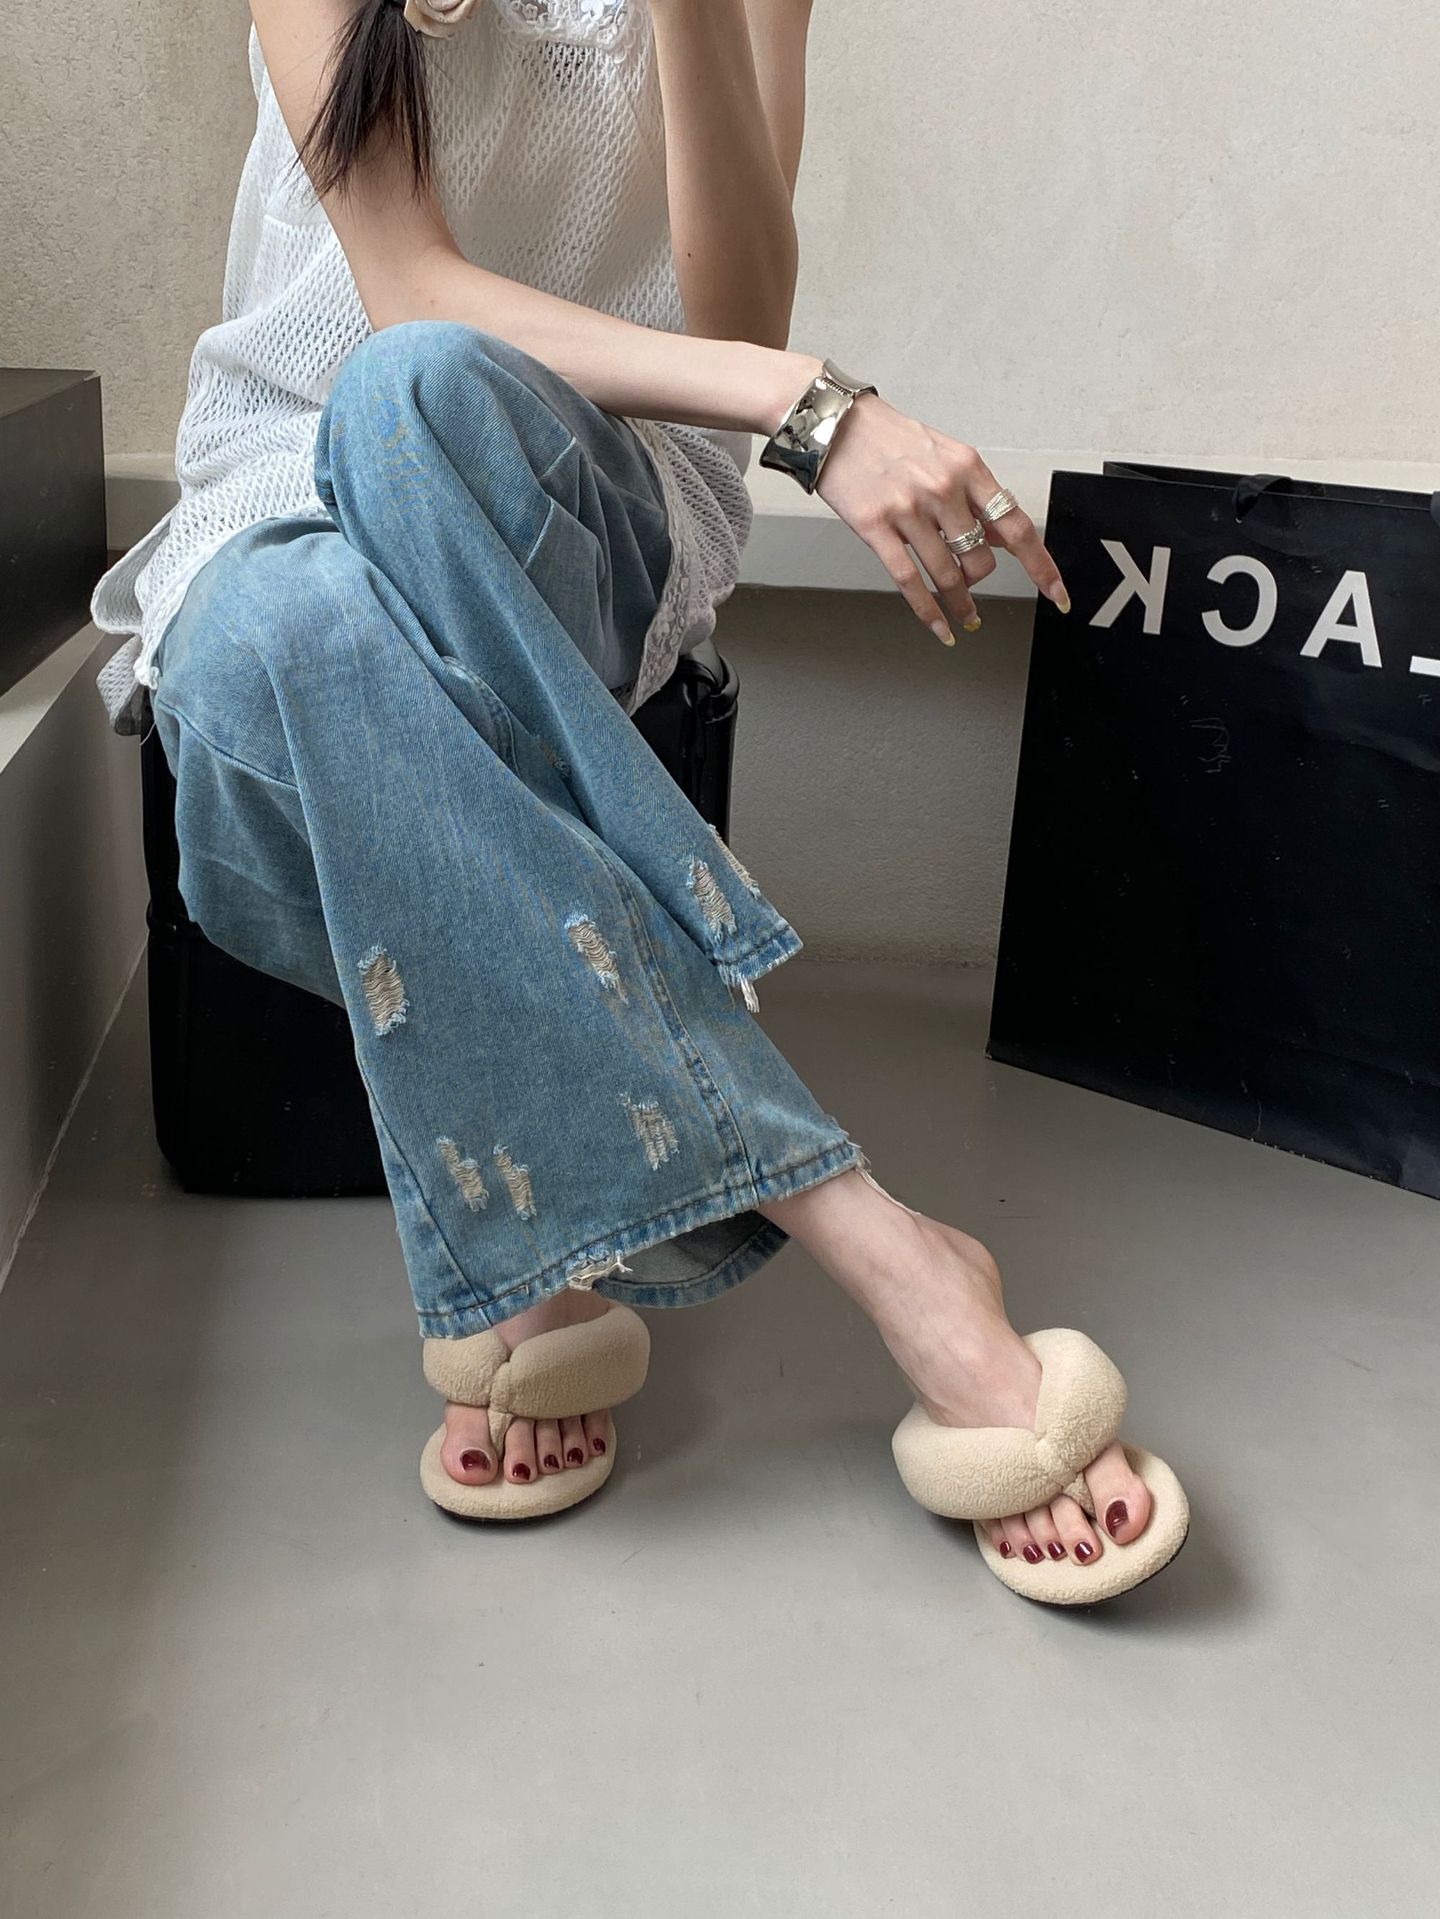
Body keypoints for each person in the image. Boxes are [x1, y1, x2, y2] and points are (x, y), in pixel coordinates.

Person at [92, 0, 1187, 1604]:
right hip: (281, 486)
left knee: (414, 407)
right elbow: (409, 289)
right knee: (289, 634)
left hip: (580, 488)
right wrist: (830, 412)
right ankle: (878, 1242)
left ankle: (540, 1273)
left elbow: (732, 311)